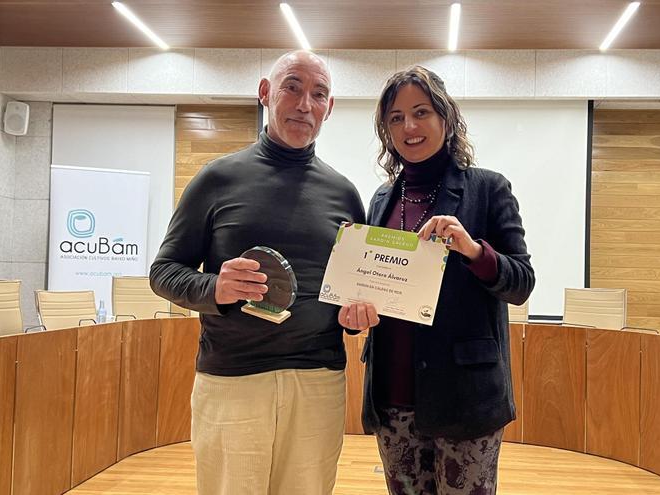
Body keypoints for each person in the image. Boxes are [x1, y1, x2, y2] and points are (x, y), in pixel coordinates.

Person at [149, 50, 365, 495]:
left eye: (319, 94)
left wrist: (356, 310)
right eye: (293, 87)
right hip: (231, 380)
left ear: (330, 108)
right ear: (266, 93)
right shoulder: (216, 179)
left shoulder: (345, 194)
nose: (305, 103)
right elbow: (164, 271)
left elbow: (353, 288)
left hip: (318, 381)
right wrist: (216, 287)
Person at [340, 66, 535, 495]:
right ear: (386, 130)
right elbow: (368, 287)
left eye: (421, 111)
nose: (409, 126)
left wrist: (473, 250)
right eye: (395, 117)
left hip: (465, 397)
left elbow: (521, 283)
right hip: (392, 395)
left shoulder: (488, 189)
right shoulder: (380, 199)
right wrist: (354, 316)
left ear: (446, 119)